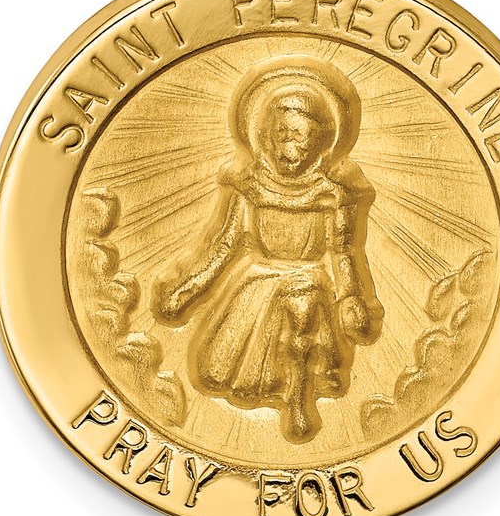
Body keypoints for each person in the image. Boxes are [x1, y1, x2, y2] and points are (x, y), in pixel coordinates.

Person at [153, 56, 383, 443]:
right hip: (258, 283)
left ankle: (299, 394)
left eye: (300, 137)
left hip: (309, 281)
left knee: (303, 303)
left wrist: (351, 298)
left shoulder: (333, 194)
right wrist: (188, 289)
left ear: (321, 142)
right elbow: (226, 246)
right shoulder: (250, 186)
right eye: (282, 135)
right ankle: (277, 384)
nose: (289, 148)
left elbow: (344, 252)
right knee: (213, 371)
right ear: (265, 136)